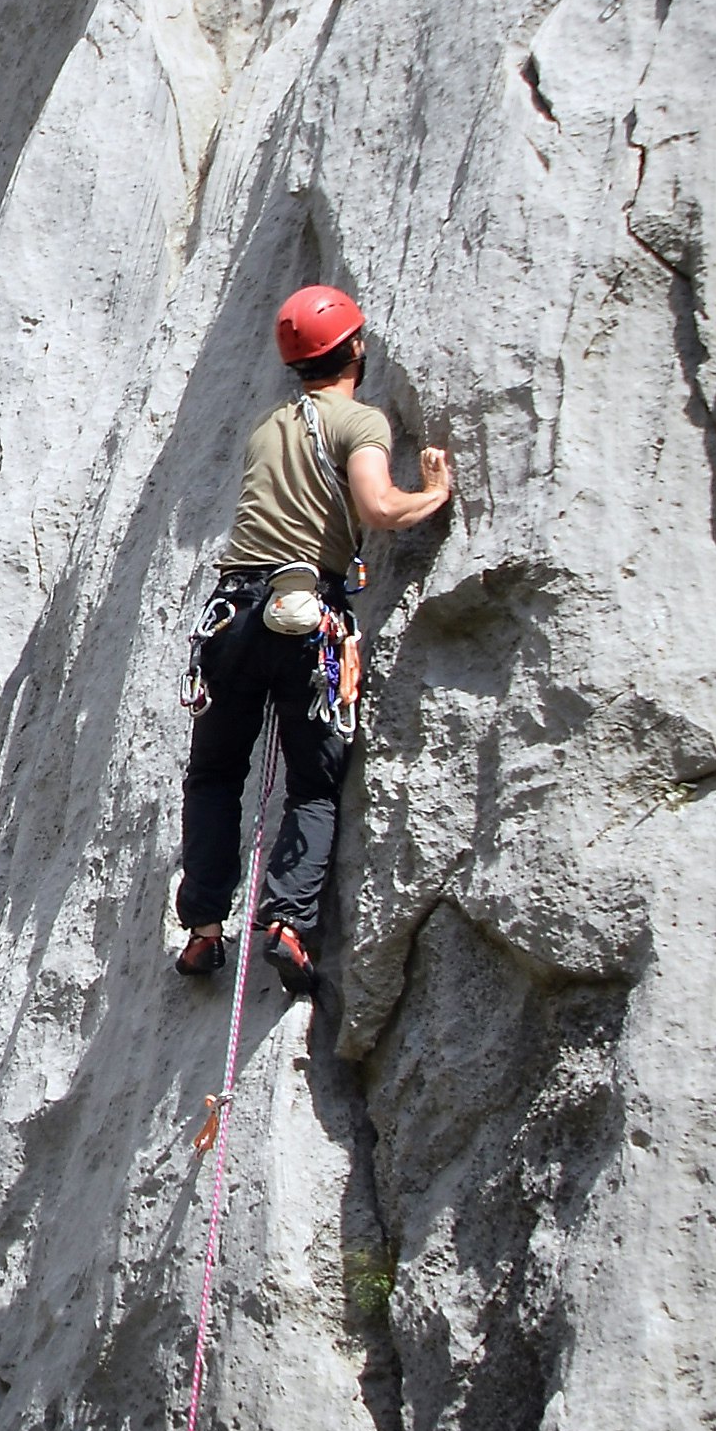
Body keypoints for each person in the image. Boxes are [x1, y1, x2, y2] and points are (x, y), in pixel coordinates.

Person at [173, 285, 452, 998]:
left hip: (232, 617)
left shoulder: (268, 425)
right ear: (354, 347)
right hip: (306, 621)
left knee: (213, 776)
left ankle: (204, 929)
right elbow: (379, 508)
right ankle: (287, 925)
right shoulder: (359, 422)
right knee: (313, 784)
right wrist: (433, 495)